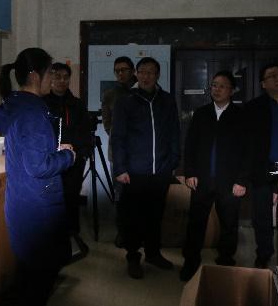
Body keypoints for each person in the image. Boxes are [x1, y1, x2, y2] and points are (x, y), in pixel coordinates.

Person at [0, 48, 76, 306]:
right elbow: (38, 166)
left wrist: (52, 151)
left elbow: (30, 153)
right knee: (40, 279)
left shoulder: (15, 105)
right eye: (50, 73)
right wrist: (68, 156)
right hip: (39, 206)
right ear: (36, 76)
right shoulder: (34, 114)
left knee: (27, 273)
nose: (53, 78)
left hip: (21, 201)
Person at [111, 57, 180, 279]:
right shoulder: (126, 101)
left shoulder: (167, 100)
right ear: (136, 74)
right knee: (132, 217)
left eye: (150, 72)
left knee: (155, 215)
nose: (145, 76)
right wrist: (120, 168)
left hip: (160, 170)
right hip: (134, 171)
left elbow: (174, 132)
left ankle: (153, 253)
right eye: (141, 72)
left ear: (157, 75)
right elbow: (118, 137)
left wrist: (172, 162)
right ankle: (133, 257)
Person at [179, 71, 247, 282]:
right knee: (196, 223)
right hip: (202, 179)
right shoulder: (201, 114)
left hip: (230, 182)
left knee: (229, 223)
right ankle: (191, 261)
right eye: (214, 85)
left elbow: (248, 151)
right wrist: (190, 172)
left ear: (232, 90)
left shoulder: (241, 116)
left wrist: (242, 180)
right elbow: (190, 145)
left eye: (222, 86)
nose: (216, 89)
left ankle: (226, 260)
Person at [243, 64, 278, 269]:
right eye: (272, 76)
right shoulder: (253, 107)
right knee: (261, 215)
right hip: (262, 167)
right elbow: (247, 142)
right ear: (263, 84)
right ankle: (264, 253)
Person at [44, 62, 92, 257]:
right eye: (57, 77)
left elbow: (85, 133)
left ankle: (73, 238)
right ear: (50, 79)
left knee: (71, 198)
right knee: (51, 199)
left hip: (73, 161)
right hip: (50, 162)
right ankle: (53, 239)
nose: (62, 81)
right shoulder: (42, 103)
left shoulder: (77, 104)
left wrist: (81, 154)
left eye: (65, 77)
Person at [101, 56, 137, 248]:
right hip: (118, 153)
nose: (121, 73)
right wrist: (118, 138)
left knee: (140, 194)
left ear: (133, 71)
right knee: (120, 194)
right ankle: (122, 233)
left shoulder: (141, 91)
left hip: (141, 154)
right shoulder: (110, 94)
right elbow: (107, 124)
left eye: (124, 69)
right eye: (117, 70)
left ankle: (139, 232)